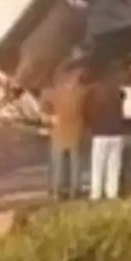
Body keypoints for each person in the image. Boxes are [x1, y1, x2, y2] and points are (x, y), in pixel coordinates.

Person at [39, 60, 90, 201]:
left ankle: (57, 192)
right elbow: (88, 113)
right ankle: (73, 192)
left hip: (59, 133)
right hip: (75, 133)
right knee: (75, 165)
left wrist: (49, 118)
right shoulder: (83, 93)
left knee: (58, 164)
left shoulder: (52, 92)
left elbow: (43, 113)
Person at [85, 68, 127, 201]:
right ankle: (112, 193)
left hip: (100, 133)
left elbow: (88, 112)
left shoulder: (94, 93)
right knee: (114, 166)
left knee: (98, 166)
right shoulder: (117, 92)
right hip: (117, 132)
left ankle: (96, 194)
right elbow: (123, 95)